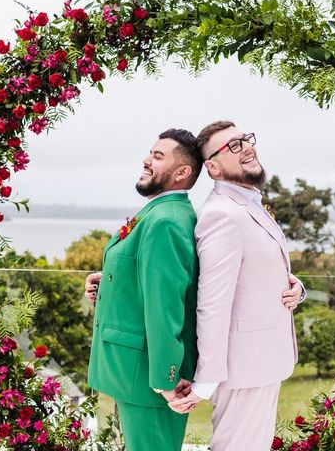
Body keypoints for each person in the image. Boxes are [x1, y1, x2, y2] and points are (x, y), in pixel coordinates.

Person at [169, 120, 305, 450]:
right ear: (212, 167)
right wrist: (207, 378)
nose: (245, 146)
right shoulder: (222, 214)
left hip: (262, 363)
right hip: (243, 370)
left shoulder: (248, 204)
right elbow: (212, 302)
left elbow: (255, 270)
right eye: (232, 145)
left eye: (245, 139)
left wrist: (295, 287)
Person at [84, 128, 202, 451]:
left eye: (158, 156)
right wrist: (109, 281)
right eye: (151, 152)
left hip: (151, 380)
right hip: (136, 376)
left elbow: (166, 306)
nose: (147, 160)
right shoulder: (160, 212)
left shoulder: (166, 221)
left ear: (182, 172)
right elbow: (147, 276)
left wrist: (166, 380)